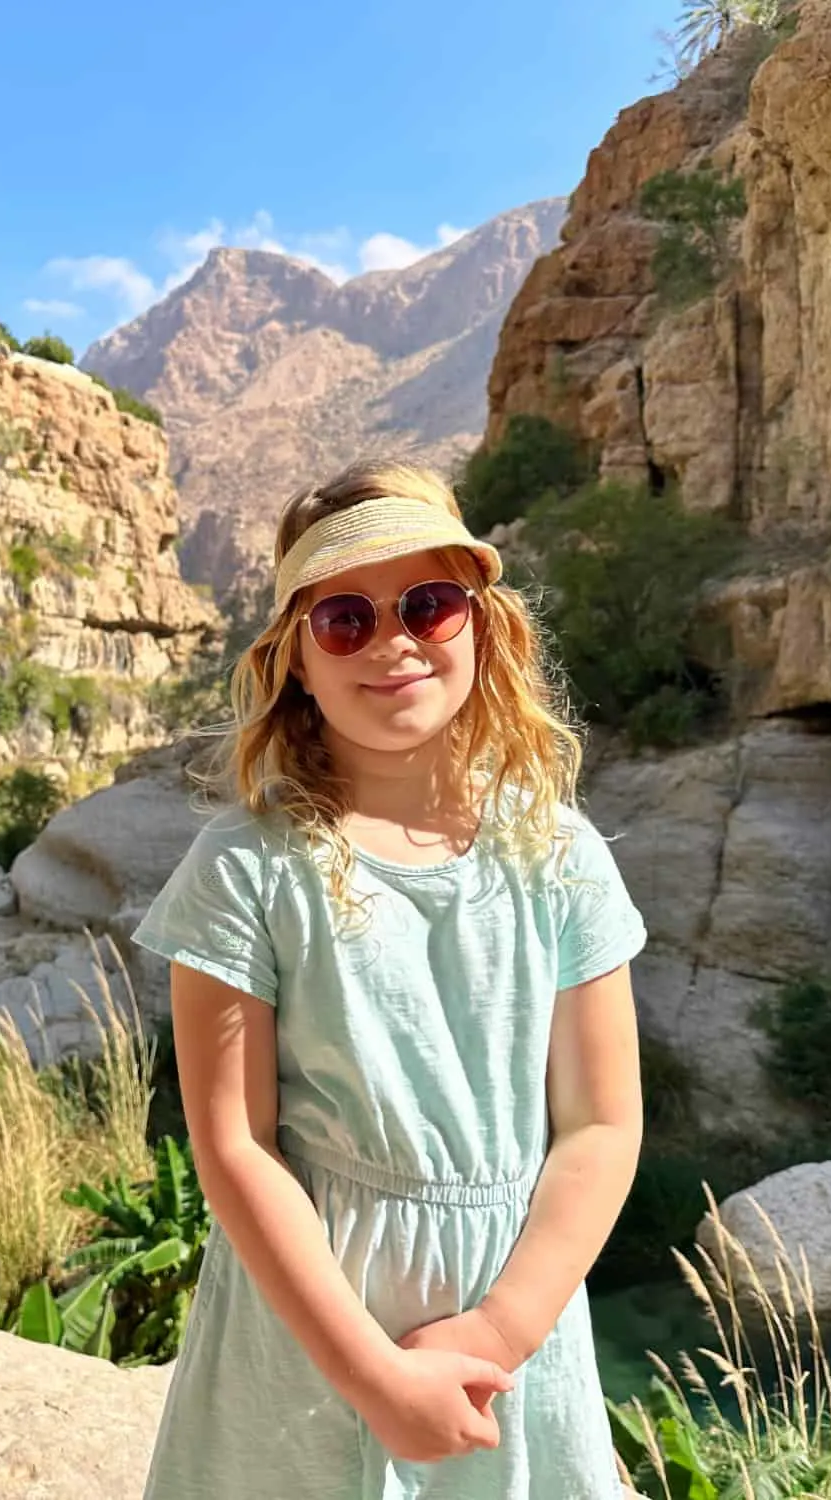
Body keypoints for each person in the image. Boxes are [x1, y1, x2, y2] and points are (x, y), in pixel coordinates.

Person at [130, 459, 647, 1499]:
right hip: (309, 1340)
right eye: (343, 622)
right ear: (293, 663)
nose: (394, 642)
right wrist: (372, 1375)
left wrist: (497, 1330)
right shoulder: (246, 869)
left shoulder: (557, 853)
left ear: (480, 627)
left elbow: (600, 1124)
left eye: (427, 604)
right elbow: (234, 1144)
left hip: (510, 1323)